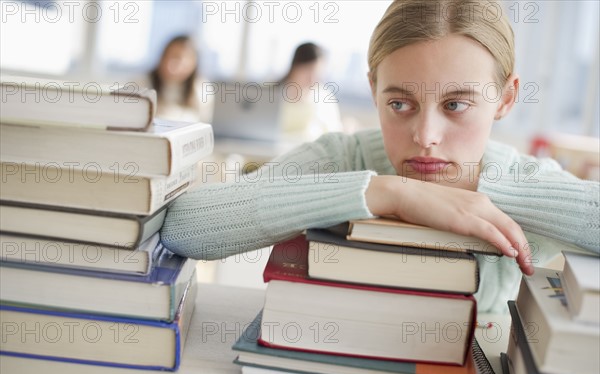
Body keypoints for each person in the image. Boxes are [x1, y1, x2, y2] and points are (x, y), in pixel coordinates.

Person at [160, 0, 599, 313]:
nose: (426, 137)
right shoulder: (345, 157)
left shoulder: (525, 177)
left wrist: (481, 190)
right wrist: (382, 192)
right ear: (373, 90)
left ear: (505, 98)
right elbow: (186, 227)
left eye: (456, 105)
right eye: (400, 104)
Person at [278, 42, 344, 140]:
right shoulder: (269, 93)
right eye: (308, 71)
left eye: (317, 73)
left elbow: (334, 132)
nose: (312, 79)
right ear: (295, 67)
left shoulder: (324, 97)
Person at [145, 35, 212, 123]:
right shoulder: (142, 83)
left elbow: (203, 125)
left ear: (193, 63)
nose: (169, 63)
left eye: (177, 58)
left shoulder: (201, 89)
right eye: (166, 56)